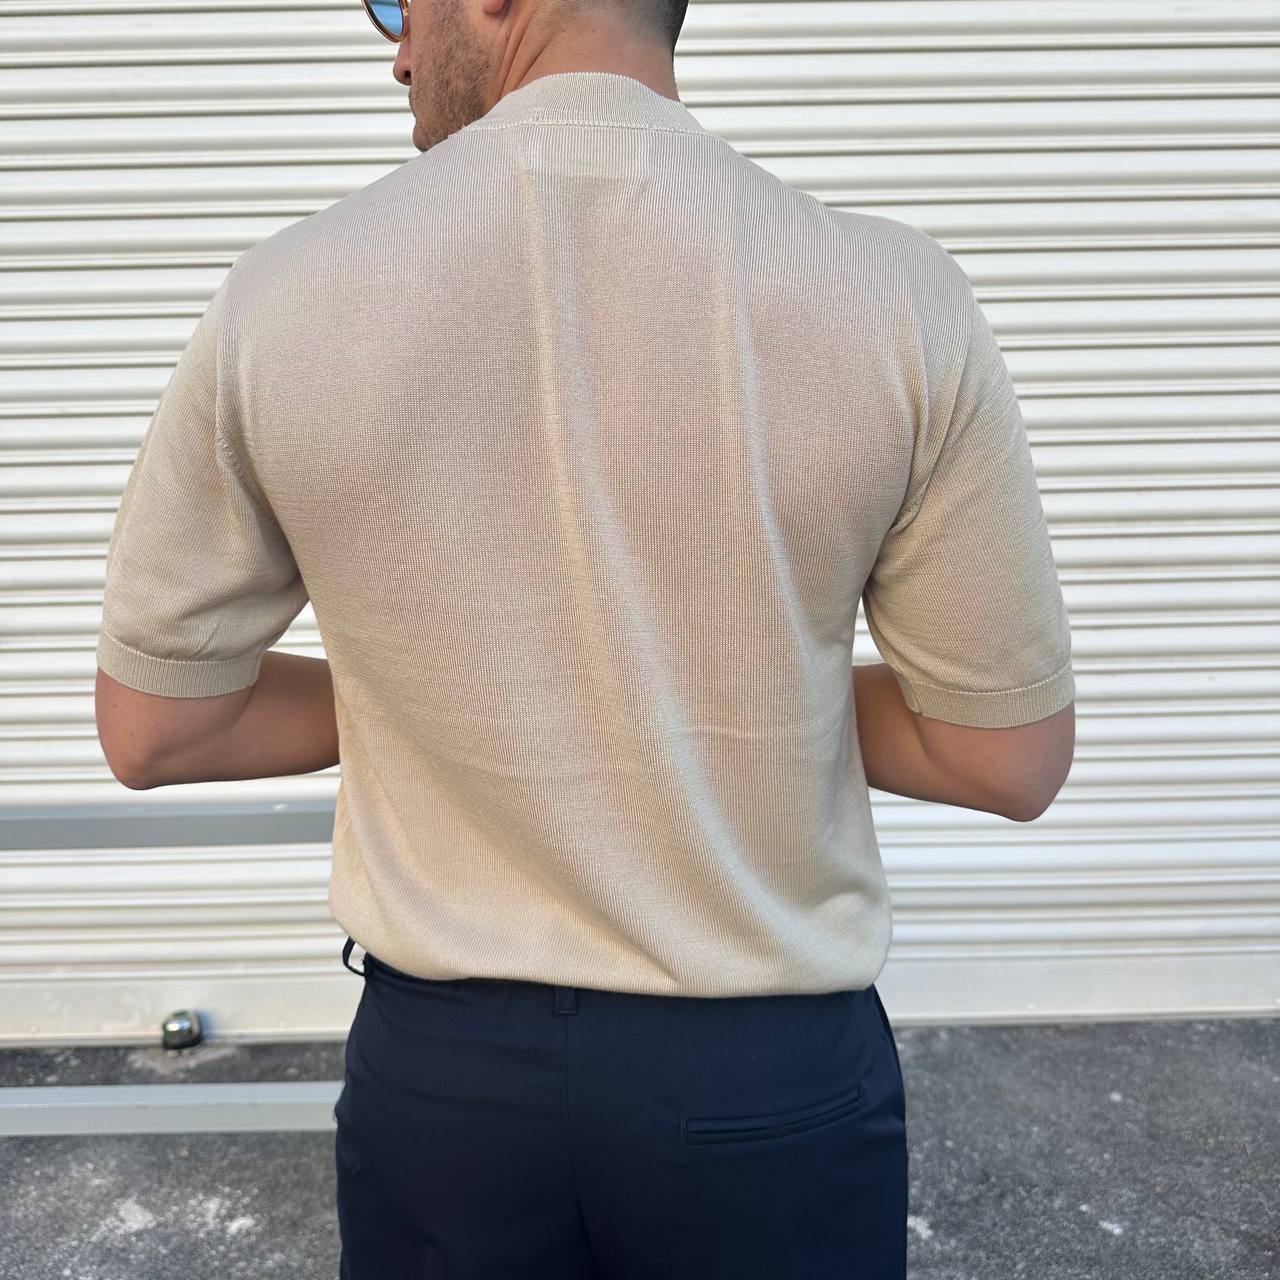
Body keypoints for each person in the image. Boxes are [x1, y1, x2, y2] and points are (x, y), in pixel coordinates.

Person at [93, 0, 1076, 1274]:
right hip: (762, 1083)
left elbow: (159, 724)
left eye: (400, 4)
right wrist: (694, 692)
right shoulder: (896, 299)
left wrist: (456, 689)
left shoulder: (282, 297)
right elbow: (1001, 754)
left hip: (444, 1095)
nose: (395, 48)